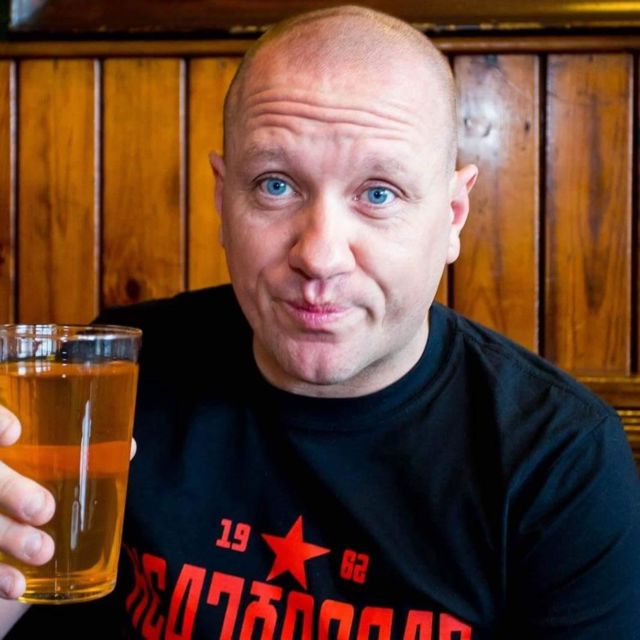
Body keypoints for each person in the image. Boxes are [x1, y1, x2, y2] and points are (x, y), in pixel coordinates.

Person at [0, 5, 639, 638]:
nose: (319, 255)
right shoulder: (121, 375)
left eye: (379, 193)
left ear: (451, 217)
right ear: (223, 199)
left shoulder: (558, 458)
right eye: (275, 185)